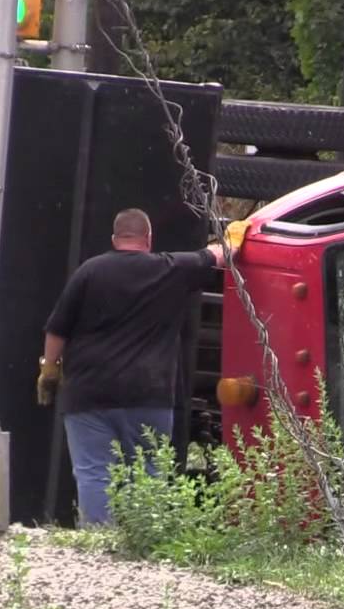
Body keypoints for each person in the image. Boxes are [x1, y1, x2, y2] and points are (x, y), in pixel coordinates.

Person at [36, 208, 224, 525]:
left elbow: (57, 331)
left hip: (89, 393)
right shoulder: (171, 268)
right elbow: (217, 255)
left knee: (94, 472)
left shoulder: (89, 272)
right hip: (149, 395)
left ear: (114, 239)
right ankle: (143, 543)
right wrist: (235, 235)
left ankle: (98, 543)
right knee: (151, 469)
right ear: (148, 239)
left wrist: (49, 369)